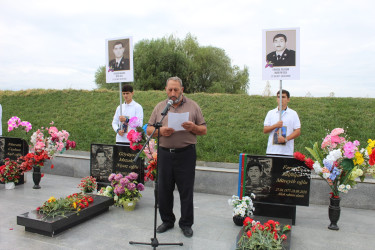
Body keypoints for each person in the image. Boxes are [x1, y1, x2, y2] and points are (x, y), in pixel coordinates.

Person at [147, 76, 207, 238]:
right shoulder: (160, 107)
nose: (173, 93)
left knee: (186, 190)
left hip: (186, 154)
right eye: (170, 89)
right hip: (165, 154)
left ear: (182, 89)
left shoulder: (193, 106)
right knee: (163, 189)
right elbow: (149, 128)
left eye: (176, 89)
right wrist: (161, 131)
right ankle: (167, 221)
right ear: (165, 90)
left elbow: (203, 129)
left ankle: (186, 224)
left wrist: (193, 127)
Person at [263, 90, 301, 156]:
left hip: (287, 152)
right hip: (272, 151)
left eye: (283, 97)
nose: (281, 99)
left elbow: (297, 131)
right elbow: (265, 130)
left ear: (288, 99)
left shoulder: (293, 114)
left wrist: (286, 139)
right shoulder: (271, 113)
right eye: (278, 97)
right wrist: (275, 125)